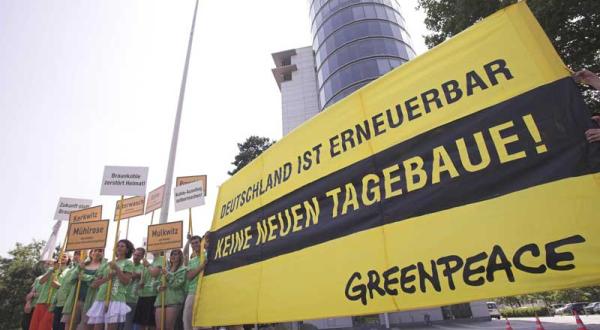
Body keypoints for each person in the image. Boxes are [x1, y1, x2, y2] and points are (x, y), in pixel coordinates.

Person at [87, 240, 134, 330]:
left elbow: (126, 281)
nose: (119, 248)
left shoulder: (128, 263)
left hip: (116, 298)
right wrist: (107, 278)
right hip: (101, 298)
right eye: (118, 246)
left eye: (122, 246)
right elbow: (94, 285)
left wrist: (117, 269)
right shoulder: (106, 264)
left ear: (127, 250)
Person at [154, 249, 187, 330]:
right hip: (160, 300)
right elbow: (156, 283)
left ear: (180, 257)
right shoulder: (165, 268)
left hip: (174, 300)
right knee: (159, 327)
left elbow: (177, 284)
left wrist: (167, 274)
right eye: (172, 254)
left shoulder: (183, 269)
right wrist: (159, 287)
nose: (173, 256)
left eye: (176, 254)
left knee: (169, 327)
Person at [183, 234, 209, 330]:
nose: (194, 245)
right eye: (192, 243)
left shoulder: (208, 254)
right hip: (193, 292)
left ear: (201, 242)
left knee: (204, 322)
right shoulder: (191, 261)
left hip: (206, 291)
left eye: (197, 242)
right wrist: (202, 266)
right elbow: (190, 276)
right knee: (188, 319)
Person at [77, 249, 107, 330]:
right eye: (95, 250)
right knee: (71, 324)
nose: (97, 252)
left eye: (100, 251)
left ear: (103, 254)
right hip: (76, 298)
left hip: (91, 300)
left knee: (85, 325)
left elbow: (97, 281)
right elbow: (74, 278)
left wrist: (84, 277)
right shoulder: (83, 264)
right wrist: (80, 269)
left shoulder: (104, 266)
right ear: (91, 253)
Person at [133, 251, 161, 330]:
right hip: (142, 295)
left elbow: (154, 273)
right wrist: (141, 282)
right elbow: (143, 279)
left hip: (152, 295)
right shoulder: (151, 262)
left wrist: (148, 265)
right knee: (141, 322)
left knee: (151, 323)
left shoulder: (161, 259)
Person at [30, 259, 59, 330]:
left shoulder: (63, 272)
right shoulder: (40, 277)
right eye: (46, 264)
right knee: (34, 326)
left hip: (51, 303)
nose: (47, 265)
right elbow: (40, 282)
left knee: (45, 326)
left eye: (50, 264)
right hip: (41, 301)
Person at [51, 252, 77, 330]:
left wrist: (58, 286)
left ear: (69, 259)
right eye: (60, 256)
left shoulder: (70, 271)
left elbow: (67, 286)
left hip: (65, 302)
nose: (62, 258)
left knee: (61, 326)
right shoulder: (56, 270)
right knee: (55, 326)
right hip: (57, 302)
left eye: (64, 256)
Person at [122, 247, 145, 330]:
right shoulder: (128, 264)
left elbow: (136, 275)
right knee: (119, 324)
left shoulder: (143, 267)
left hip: (132, 299)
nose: (135, 257)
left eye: (138, 255)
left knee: (127, 324)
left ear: (142, 257)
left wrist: (130, 275)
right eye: (135, 254)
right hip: (122, 298)